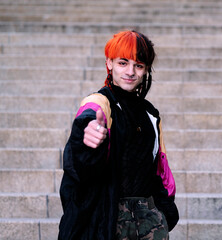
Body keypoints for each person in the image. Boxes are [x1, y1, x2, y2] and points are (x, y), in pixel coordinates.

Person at [58, 30, 179, 240]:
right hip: (107, 219)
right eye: (123, 63)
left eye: (138, 65)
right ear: (109, 63)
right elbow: (89, 117)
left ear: (146, 70)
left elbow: (159, 167)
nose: (130, 71)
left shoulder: (151, 114)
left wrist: (164, 212)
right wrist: (89, 134)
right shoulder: (100, 102)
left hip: (150, 223)